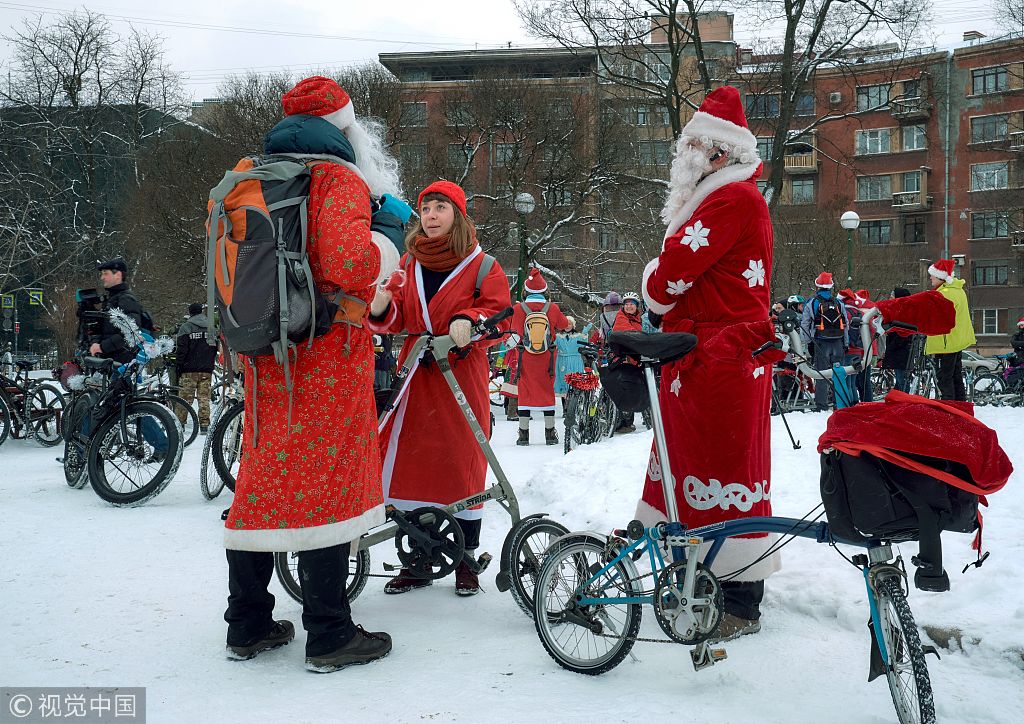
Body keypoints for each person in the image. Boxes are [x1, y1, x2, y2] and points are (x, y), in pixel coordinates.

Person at [222, 76, 405, 673]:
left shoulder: (251, 175)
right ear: (348, 129)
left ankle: (246, 623)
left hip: (262, 354)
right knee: (328, 479)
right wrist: (387, 237)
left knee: (262, 476)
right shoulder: (337, 177)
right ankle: (329, 631)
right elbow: (351, 266)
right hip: (324, 354)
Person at [637, 86, 782, 642]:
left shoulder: (730, 200)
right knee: (701, 462)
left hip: (719, 357)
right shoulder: (726, 198)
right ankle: (704, 571)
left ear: (718, 152)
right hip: (707, 356)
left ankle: (741, 599)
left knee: (725, 466)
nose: (685, 153)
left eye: (693, 144)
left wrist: (653, 280)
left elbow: (672, 275)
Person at [367, 180, 512, 595]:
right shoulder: (408, 264)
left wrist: (470, 319)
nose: (430, 216)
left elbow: (500, 311)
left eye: (439, 208)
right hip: (414, 374)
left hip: (460, 374)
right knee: (412, 464)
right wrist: (382, 307)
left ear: (458, 215)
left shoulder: (484, 266)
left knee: (462, 463)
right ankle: (420, 557)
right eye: (425, 208)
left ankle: (465, 559)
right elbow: (395, 314)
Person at [511, 268, 574, 446]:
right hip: (547, 358)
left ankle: (523, 435)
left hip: (525, 357)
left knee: (525, 390)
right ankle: (550, 434)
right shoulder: (552, 308)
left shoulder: (518, 308)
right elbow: (563, 325)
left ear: (526, 291)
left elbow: (514, 330)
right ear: (544, 291)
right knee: (547, 390)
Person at [924, 258, 977, 400]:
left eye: (932, 275)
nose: (930, 277)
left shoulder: (944, 293)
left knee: (944, 377)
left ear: (940, 277)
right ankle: (960, 406)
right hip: (956, 341)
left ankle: (949, 410)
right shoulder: (957, 291)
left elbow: (934, 317)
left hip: (945, 343)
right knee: (955, 375)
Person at [800, 272, 851, 411]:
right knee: (838, 373)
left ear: (817, 285)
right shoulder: (839, 303)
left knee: (821, 373)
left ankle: (821, 405)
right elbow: (845, 324)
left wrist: (807, 344)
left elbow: (804, 325)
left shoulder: (812, 303)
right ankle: (838, 403)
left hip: (820, 342)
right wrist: (846, 343)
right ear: (831, 286)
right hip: (838, 342)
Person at [90, 258, 147, 363]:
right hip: (109, 362)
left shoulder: (126, 299)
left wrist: (102, 347)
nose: (102, 277)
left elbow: (131, 333)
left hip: (121, 365)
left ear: (118, 275)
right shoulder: (111, 299)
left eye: (105, 274)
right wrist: (95, 342)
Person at [175, 303, 216, 434]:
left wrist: (179, 366)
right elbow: (215, 347)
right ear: (201, 311)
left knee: (185, 398)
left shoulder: (186, 327)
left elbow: (181, 349)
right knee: (204, 398)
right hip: (206, 369)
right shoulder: (211, 327)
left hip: (189, 369)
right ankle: (204, 425)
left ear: (190, 312)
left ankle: (180, 423)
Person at [611, 291, 644, 434]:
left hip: (635, 357)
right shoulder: (621, 318)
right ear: (623, 306)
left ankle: (630, 418)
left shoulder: (639, 319)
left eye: (632, 304)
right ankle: (624, 421)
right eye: (627, 304)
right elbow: (629, 333)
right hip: (624, 358)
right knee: (626, 387)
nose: (629, 306)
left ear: (637, 306)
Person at [881, 288, 915, 393]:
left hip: (901, 353)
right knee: (900, 382)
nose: (890, 298)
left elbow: (903, 335)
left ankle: (904, 402)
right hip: (899, 352)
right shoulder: (900, 312)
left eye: (893, 296)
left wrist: (891, 347)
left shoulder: (903, 314)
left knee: (902, 382)